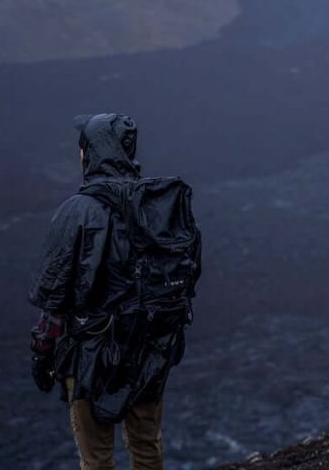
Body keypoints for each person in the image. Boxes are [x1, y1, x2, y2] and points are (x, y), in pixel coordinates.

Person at [27, 113, 202, 470]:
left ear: (91, 152)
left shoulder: (76, 211)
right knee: (146, 445)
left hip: (90, 353)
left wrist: (42, 352)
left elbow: (54, 299)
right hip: (151, 349)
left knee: (96, 458)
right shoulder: (159, 206)